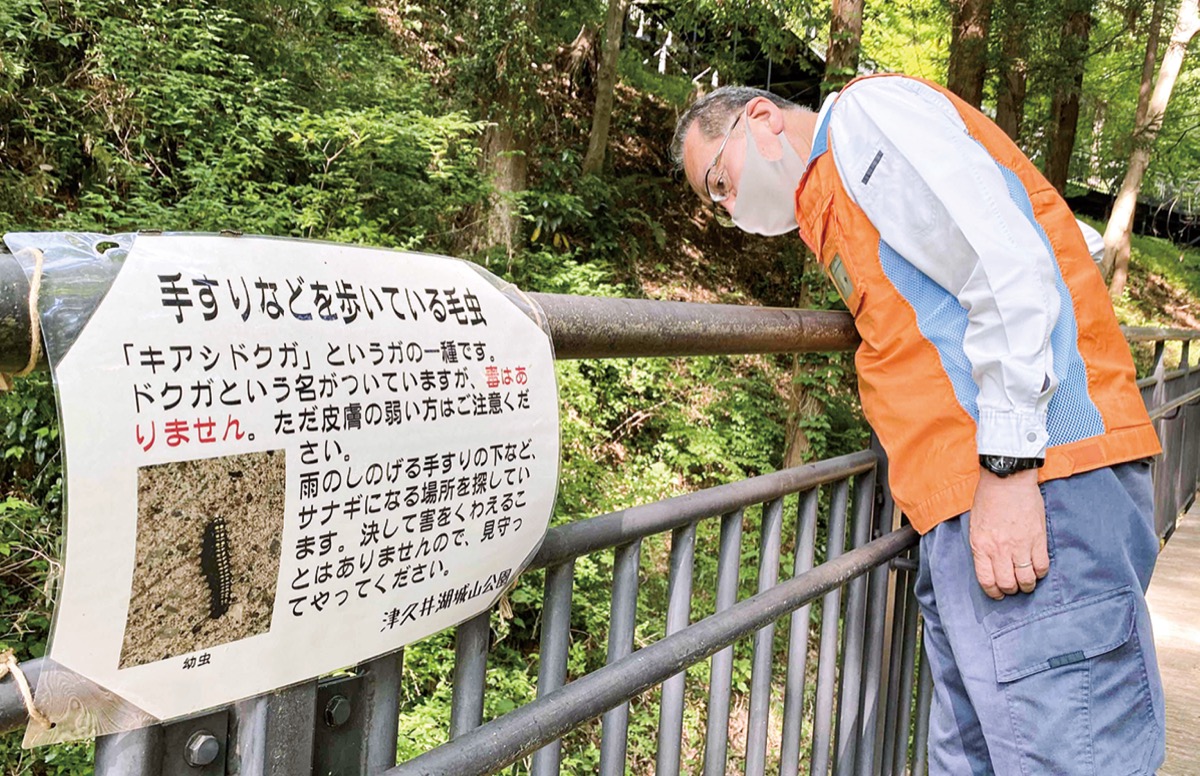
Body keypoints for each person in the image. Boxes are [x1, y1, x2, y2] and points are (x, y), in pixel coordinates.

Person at [671, 75, 1165, 775]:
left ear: (762, 118)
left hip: (1038, 483)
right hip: (975, 507)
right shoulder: (834, 198)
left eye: (719, 181)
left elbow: (1007, 269)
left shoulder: (869, 122)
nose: (726, 208)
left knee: (1064, 755)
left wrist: (1008, 465)